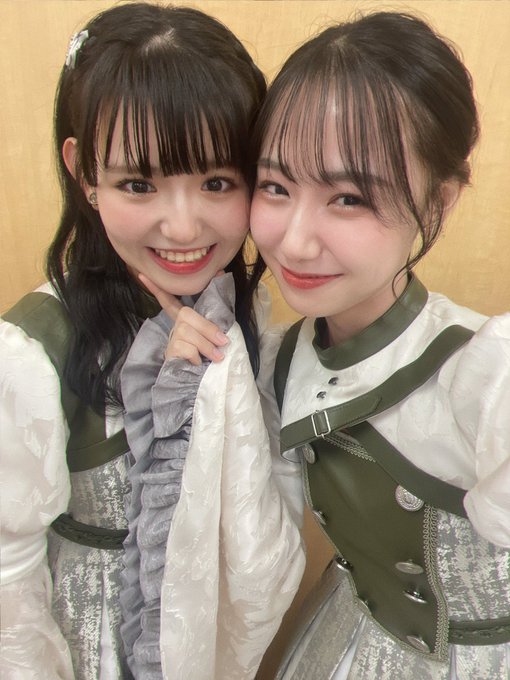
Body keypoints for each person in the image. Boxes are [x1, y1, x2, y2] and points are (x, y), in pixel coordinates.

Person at [193, 10, 510, 680]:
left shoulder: (483, 377)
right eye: (276, 187)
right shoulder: (277, 361)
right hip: (339, 642)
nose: (294, 241)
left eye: (348, 198)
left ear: (439, 201)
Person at [0, 4, 305, 679]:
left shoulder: (249, 317)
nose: (183, 227)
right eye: (139, 184)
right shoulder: (29, 353)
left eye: (217, 182)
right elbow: (7, 583)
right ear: (84, 174)